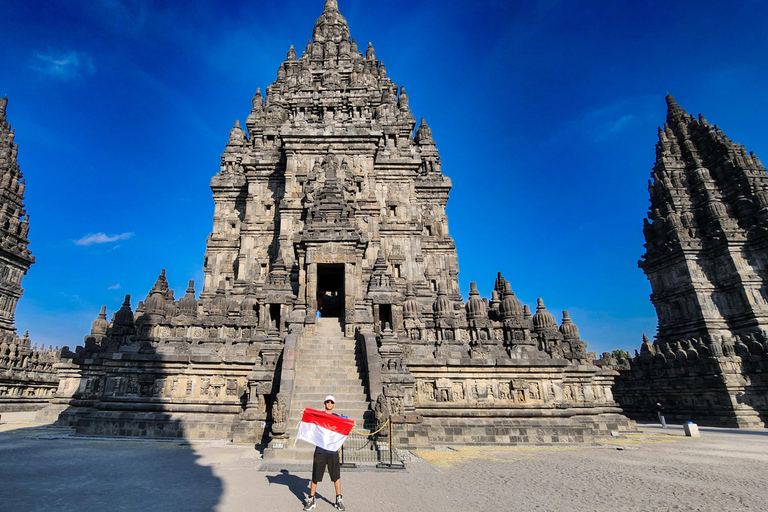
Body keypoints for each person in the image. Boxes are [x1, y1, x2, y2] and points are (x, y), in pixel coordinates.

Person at [304, 395, 345, 511]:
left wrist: (352, 425)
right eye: (328, 402)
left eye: (331, 402)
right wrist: (306, 413)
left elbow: (344, 426)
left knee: (336, 476)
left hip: (332, 451)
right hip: (320, 450)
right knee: (315, 477)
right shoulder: (320, 416)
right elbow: (311, 419)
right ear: (324, 403)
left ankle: (338, 499)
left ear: (334, 404)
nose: (329, 404)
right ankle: (311, 499)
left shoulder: (336, 418)